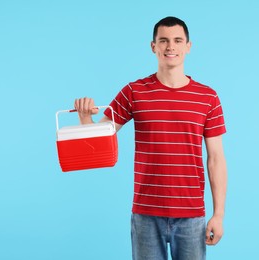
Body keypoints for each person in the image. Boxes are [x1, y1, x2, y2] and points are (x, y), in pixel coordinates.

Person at [74, 16, 227, 260]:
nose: (170, 47)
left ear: (188, 46)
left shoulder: (207, 97)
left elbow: (216, 158)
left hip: (191, 215)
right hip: (146, 214)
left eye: (177, 40)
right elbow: (100, 140)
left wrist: (218, 214)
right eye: (163, 40)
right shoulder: (134, 91)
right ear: (153, 46)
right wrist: (85, 121)